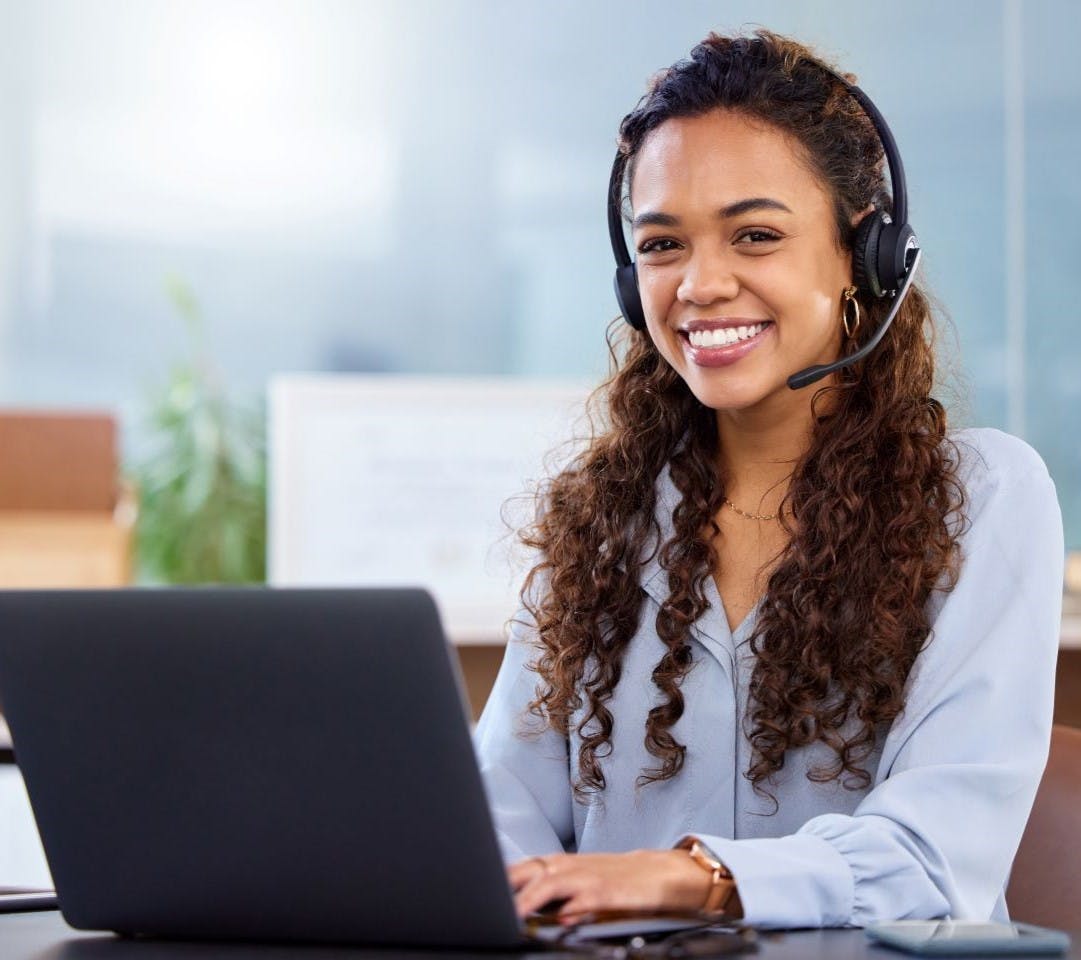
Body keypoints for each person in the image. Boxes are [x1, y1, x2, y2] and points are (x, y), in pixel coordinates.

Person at [474, 29, 1064, 930]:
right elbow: (498, 817)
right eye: (663, 245)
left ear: (860, 259)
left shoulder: (982, 498)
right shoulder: (603, 515)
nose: (701, 284)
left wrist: (688, 877)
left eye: (755, 235)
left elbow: (932, 855)